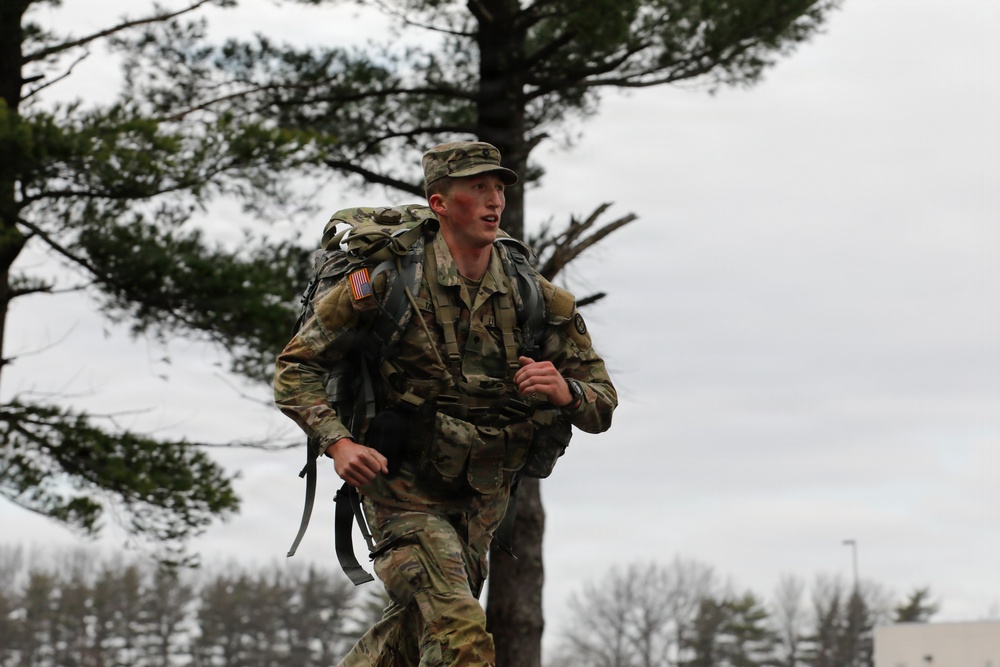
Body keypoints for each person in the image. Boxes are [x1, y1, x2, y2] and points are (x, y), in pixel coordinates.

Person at [274, 140, 617, 666]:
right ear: (439, 203)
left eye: (498, 188)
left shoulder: (532, 294)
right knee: (460, 634)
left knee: (416, 634)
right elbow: (296, 366)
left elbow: (602, 403)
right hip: (401, 490)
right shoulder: (386, 281)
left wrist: (566, 391)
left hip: (481, 500)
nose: (494, 201)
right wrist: (338, 443)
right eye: (477, 188)